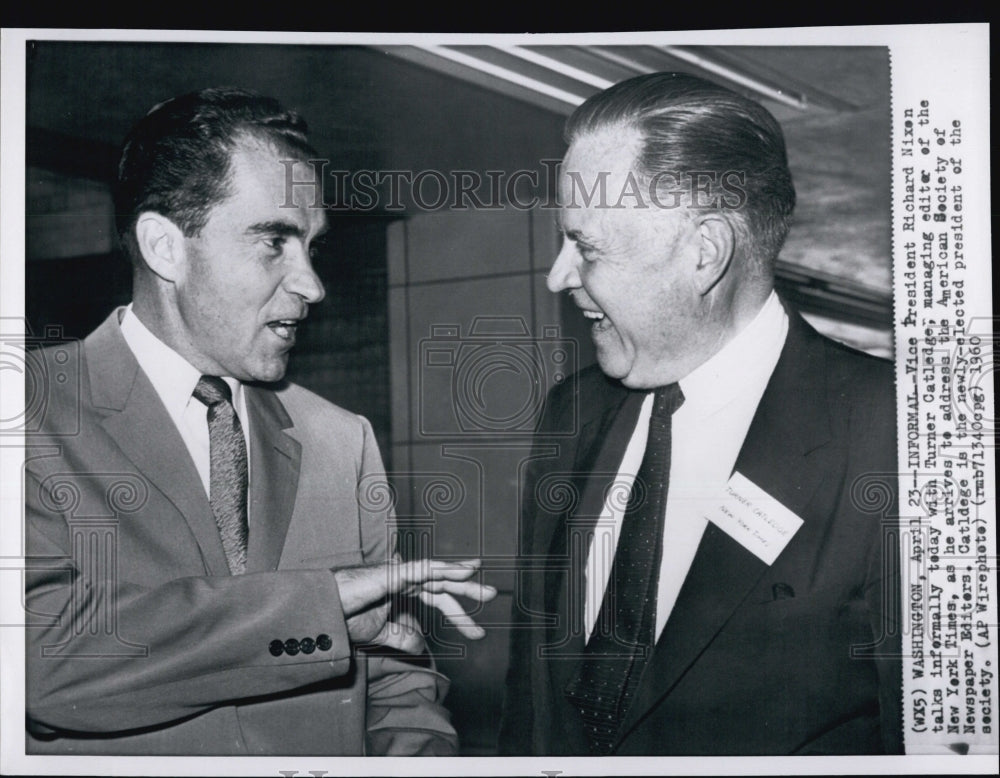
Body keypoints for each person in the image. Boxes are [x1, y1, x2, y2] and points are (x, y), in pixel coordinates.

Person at [24, 87, 495, 756]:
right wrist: (320, 606)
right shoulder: (29, 416)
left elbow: (394, 680)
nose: (312, 285)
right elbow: (43, 662)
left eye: (312, 247)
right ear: (165, 247)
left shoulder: (340, 439)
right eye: (274, 241)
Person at [498, 72, 901, 755]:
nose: (558, 276)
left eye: (586, 245)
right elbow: (530, 702)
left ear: (704, 253)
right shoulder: (571, 411)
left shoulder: (897, 431)